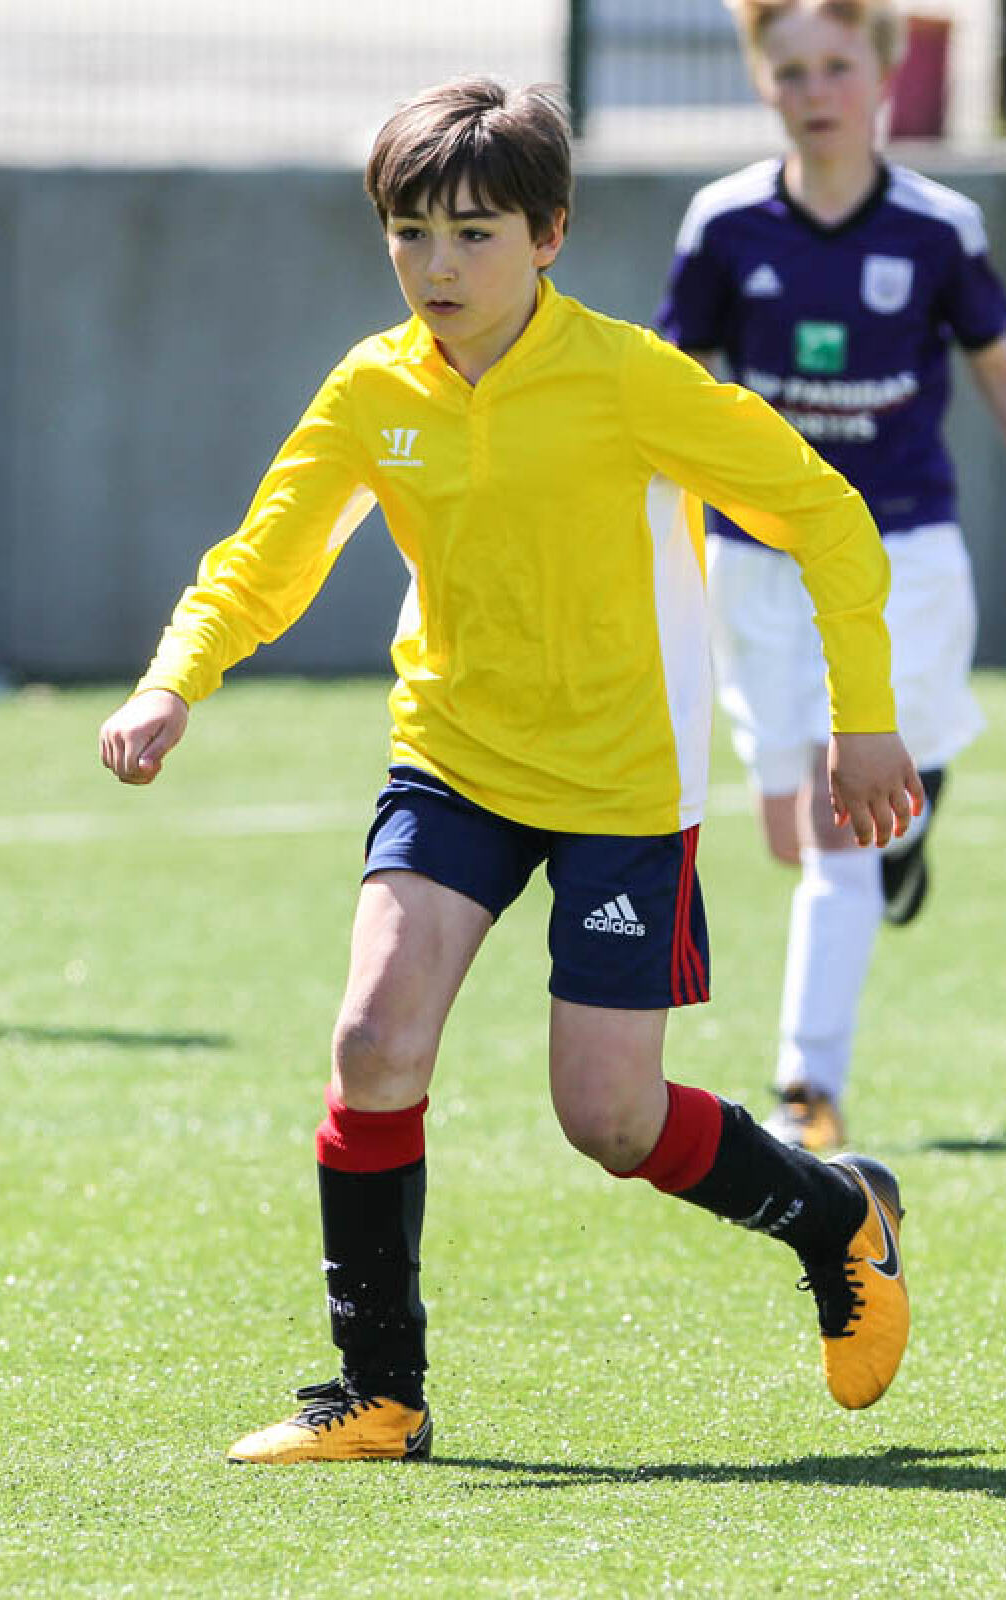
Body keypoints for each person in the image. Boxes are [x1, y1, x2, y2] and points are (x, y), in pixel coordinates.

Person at [99, 76, 921, 1464]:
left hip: (621, 784)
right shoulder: (373, 387)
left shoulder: (630, 380)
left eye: (473, 233)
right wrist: (172, 679)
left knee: (609, 1119)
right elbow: (266, 559)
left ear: (549, 235)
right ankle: (379, 1394)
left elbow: (824, 514)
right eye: (409, 232)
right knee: (372, 1044)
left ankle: (836, 1213)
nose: (437, 265)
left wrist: (865, 717)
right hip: (454, 759)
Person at [658, 0, 1006, 1153]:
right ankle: (904, 826)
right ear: (763, 81)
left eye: (836, 67)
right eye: (791, 70)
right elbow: (667, 392)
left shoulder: (939, 228)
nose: (815, 92)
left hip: (900, 558)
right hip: (756, 567)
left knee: (833, 833)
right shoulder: (723, 224)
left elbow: (994, 369)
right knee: (790, 834)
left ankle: (806, 1085)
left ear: (883, 72)